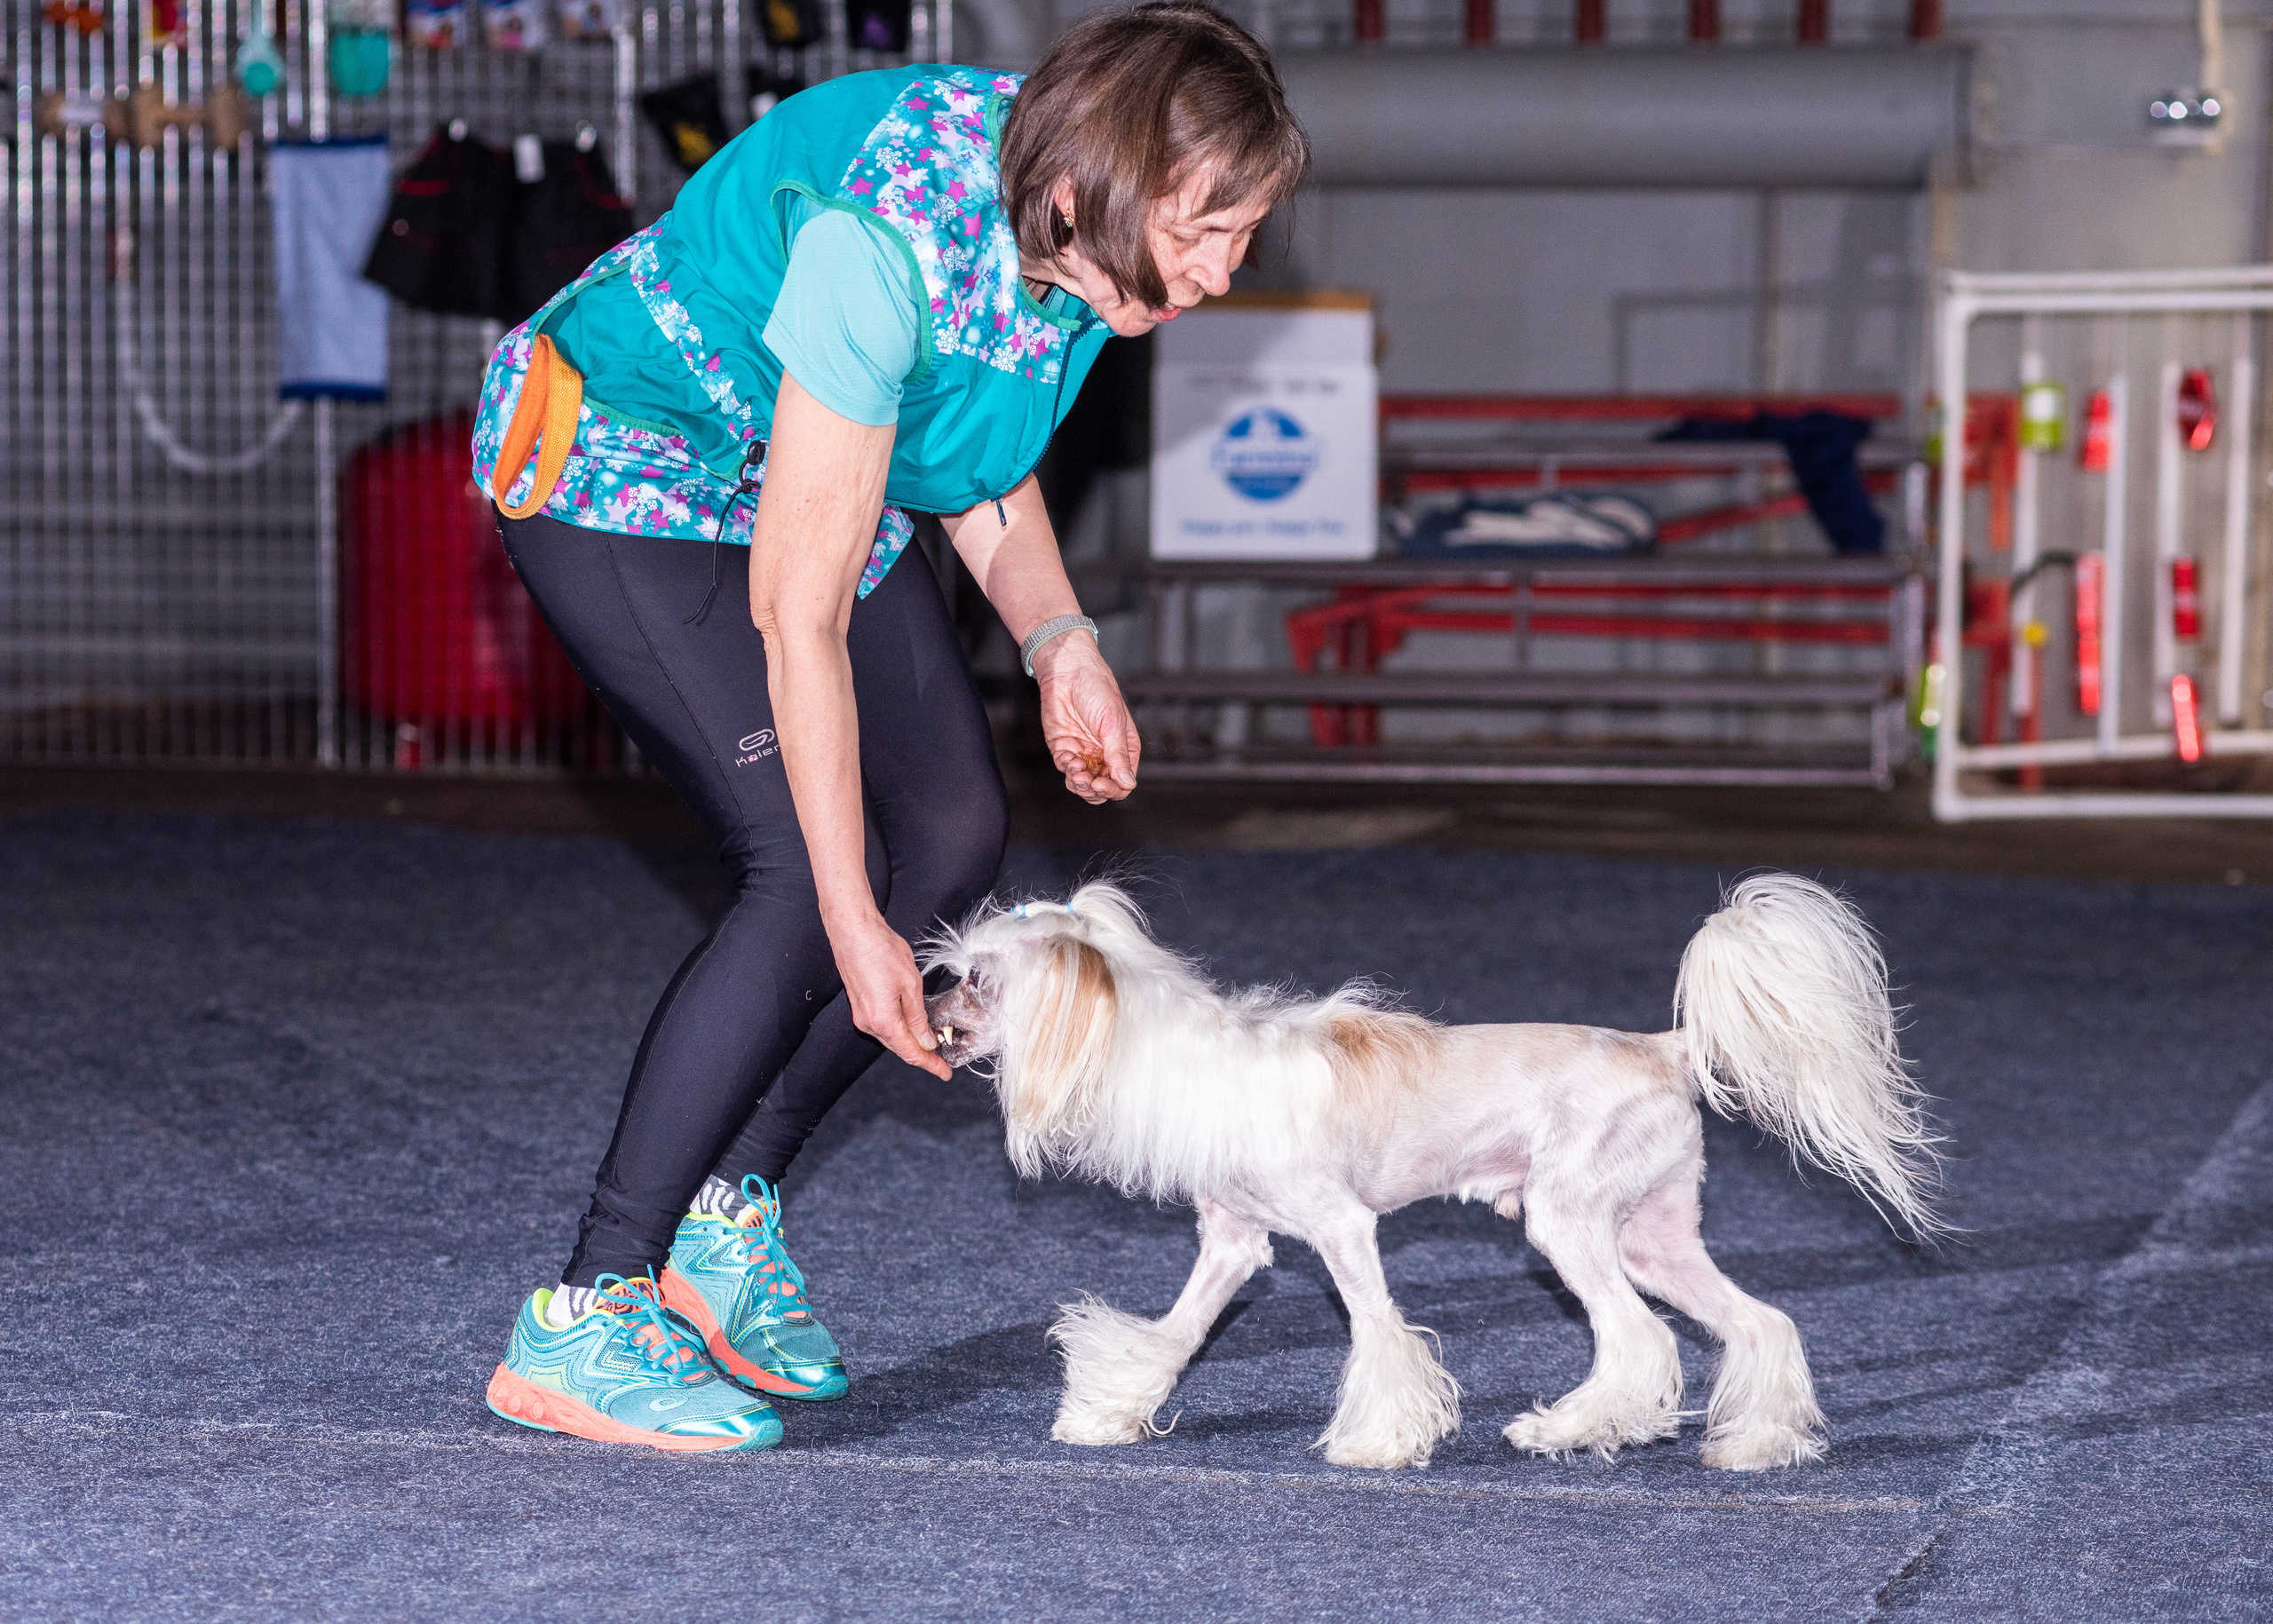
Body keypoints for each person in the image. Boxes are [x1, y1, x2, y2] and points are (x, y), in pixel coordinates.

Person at [473, 2, 1311, 1453]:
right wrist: (858, 927)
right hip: (632, 461)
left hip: (798, 455)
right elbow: (797, 614)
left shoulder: (1088, 236)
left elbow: (969, 455)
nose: (1224, 273)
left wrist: (1062, 645)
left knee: (956, 833)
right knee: (810, 874)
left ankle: (723, 1218)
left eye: (1243, 235)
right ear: (1082, 193)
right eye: (1208, 231)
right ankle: (586, 1311)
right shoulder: (889, 243)